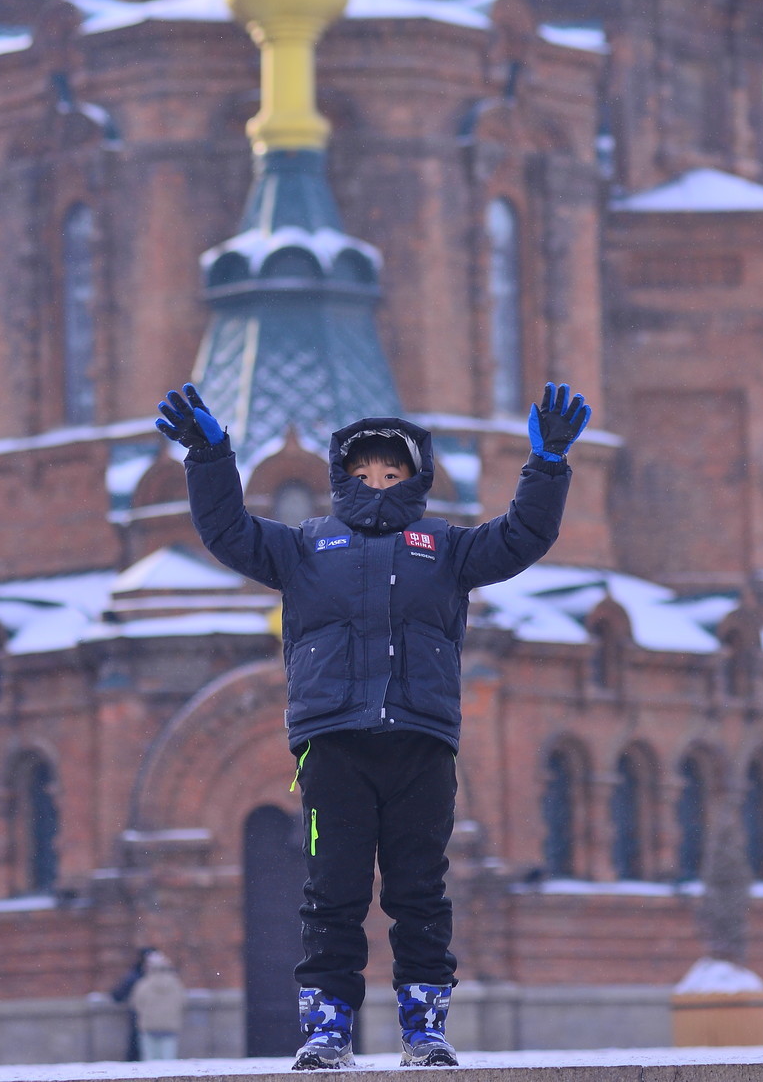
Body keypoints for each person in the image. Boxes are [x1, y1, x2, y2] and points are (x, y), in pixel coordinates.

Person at [157, 381, 591, 1070]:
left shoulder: (445, 548)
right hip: (334, 745)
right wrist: (210, 456)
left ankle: (424, 1030)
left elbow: (522, 537)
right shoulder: (306, 546)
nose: (379, 485)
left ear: (416, 478)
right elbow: (229, 532)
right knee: (333, 891)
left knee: (420, 890)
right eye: (364, 473)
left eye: (393, 473)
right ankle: (327, 1031)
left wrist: (548, 467)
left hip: (420, 741)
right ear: (340, 477)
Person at [128, 950, 186, 1062]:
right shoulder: (176, 984)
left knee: (150, 1060)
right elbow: (182, 1002)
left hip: (149, 1026)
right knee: (169, 1060)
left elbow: (135, 1003)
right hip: (170, 1026)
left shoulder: (143, 984)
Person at [110, 946, 154, 1062]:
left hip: (138, 1014)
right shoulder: (141, 975)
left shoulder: (135, 974)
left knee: (136, 1046)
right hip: (152, 1016)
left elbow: (118, 995)